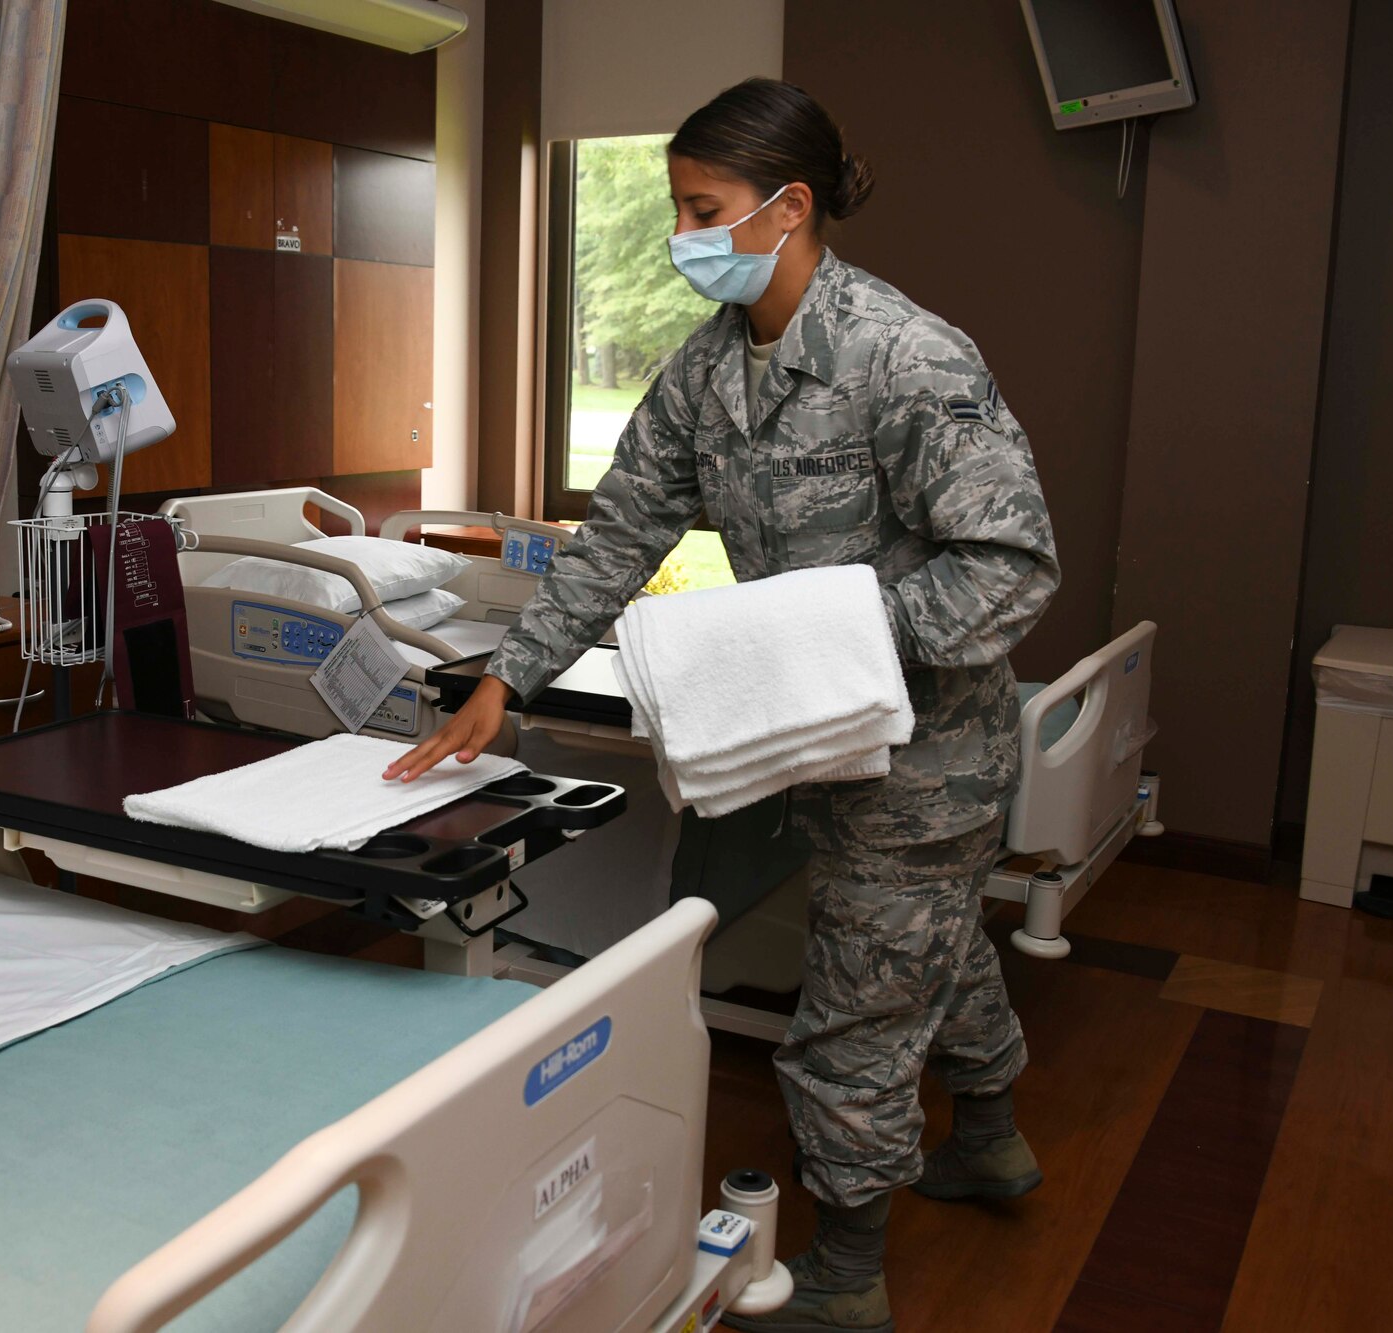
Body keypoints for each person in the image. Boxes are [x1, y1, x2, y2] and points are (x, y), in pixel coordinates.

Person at [384, 78, 1060, 1331]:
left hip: (926, 757)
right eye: (676, 207)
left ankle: (848, 1275)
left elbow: (1008, 567)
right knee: (927, 946)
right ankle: (991, 1133)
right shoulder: (705, 372)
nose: (681, 236)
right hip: (820, 742)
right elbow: (618, 532)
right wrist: (505, 677)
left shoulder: (904, 358)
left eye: (703, 208)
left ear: (787, 208)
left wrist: (836, 643)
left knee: (855, 1006)